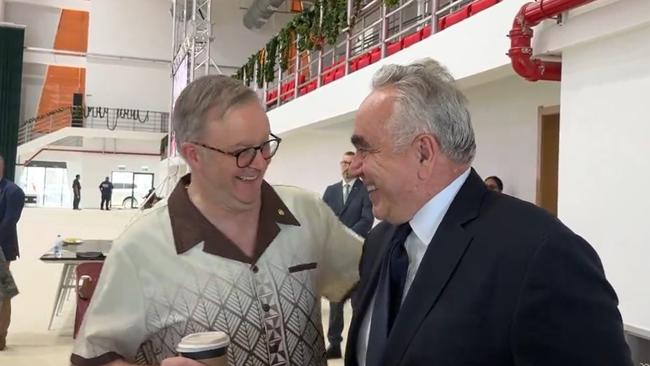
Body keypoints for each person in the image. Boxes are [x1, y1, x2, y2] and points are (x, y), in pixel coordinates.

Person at [345, 59, 632, 366]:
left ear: (423, 153)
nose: (355, 167)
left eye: (366, 149)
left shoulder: (541, 255)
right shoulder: (378, 244)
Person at [71, 75, 363, 366]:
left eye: (265, 145)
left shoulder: (306, 212)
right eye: (242, 152)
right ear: (193, 154)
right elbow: (94, 355)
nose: (260, 162)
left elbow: (374, 276)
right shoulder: (138, 250)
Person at [322, 151, 373, 359]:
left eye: (350, 163)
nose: (345, 166)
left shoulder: (365, 190)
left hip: (358, 252)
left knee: (358, 302)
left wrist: (344, 236)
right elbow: (322, 216)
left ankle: (357, 343)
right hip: (336, 255)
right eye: (343, 162)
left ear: (356, 165)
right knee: (336, 301)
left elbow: (367, 219)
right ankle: (334, 344)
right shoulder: (331, 190)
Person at [0, 154, 25, 350]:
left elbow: (9, 222)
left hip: (3, 248)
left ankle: (1, 336)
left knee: (2, 293)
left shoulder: (13, 191)